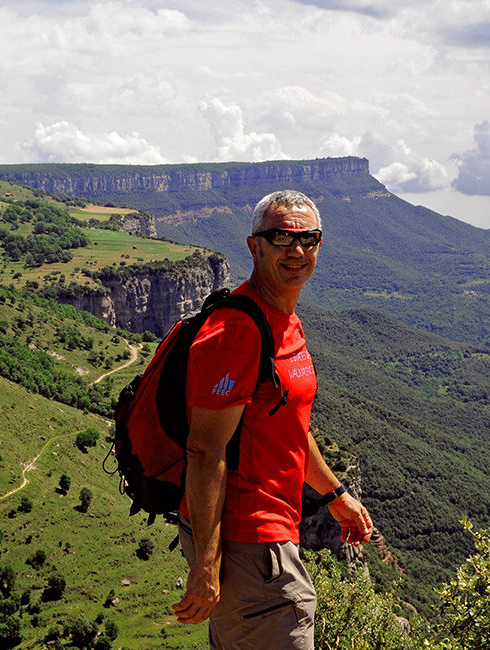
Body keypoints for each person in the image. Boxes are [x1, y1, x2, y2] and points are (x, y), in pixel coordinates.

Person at [171, 190, 374, 649]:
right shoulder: (237, 333)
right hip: (252, 542)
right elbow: (204, 449)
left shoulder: (286, 321)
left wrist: (335, 494)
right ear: (254, 246)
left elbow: (290, 428)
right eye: (281, 237)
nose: (296, 250)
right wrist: (207, 563)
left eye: (309, 239)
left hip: (269, 535)